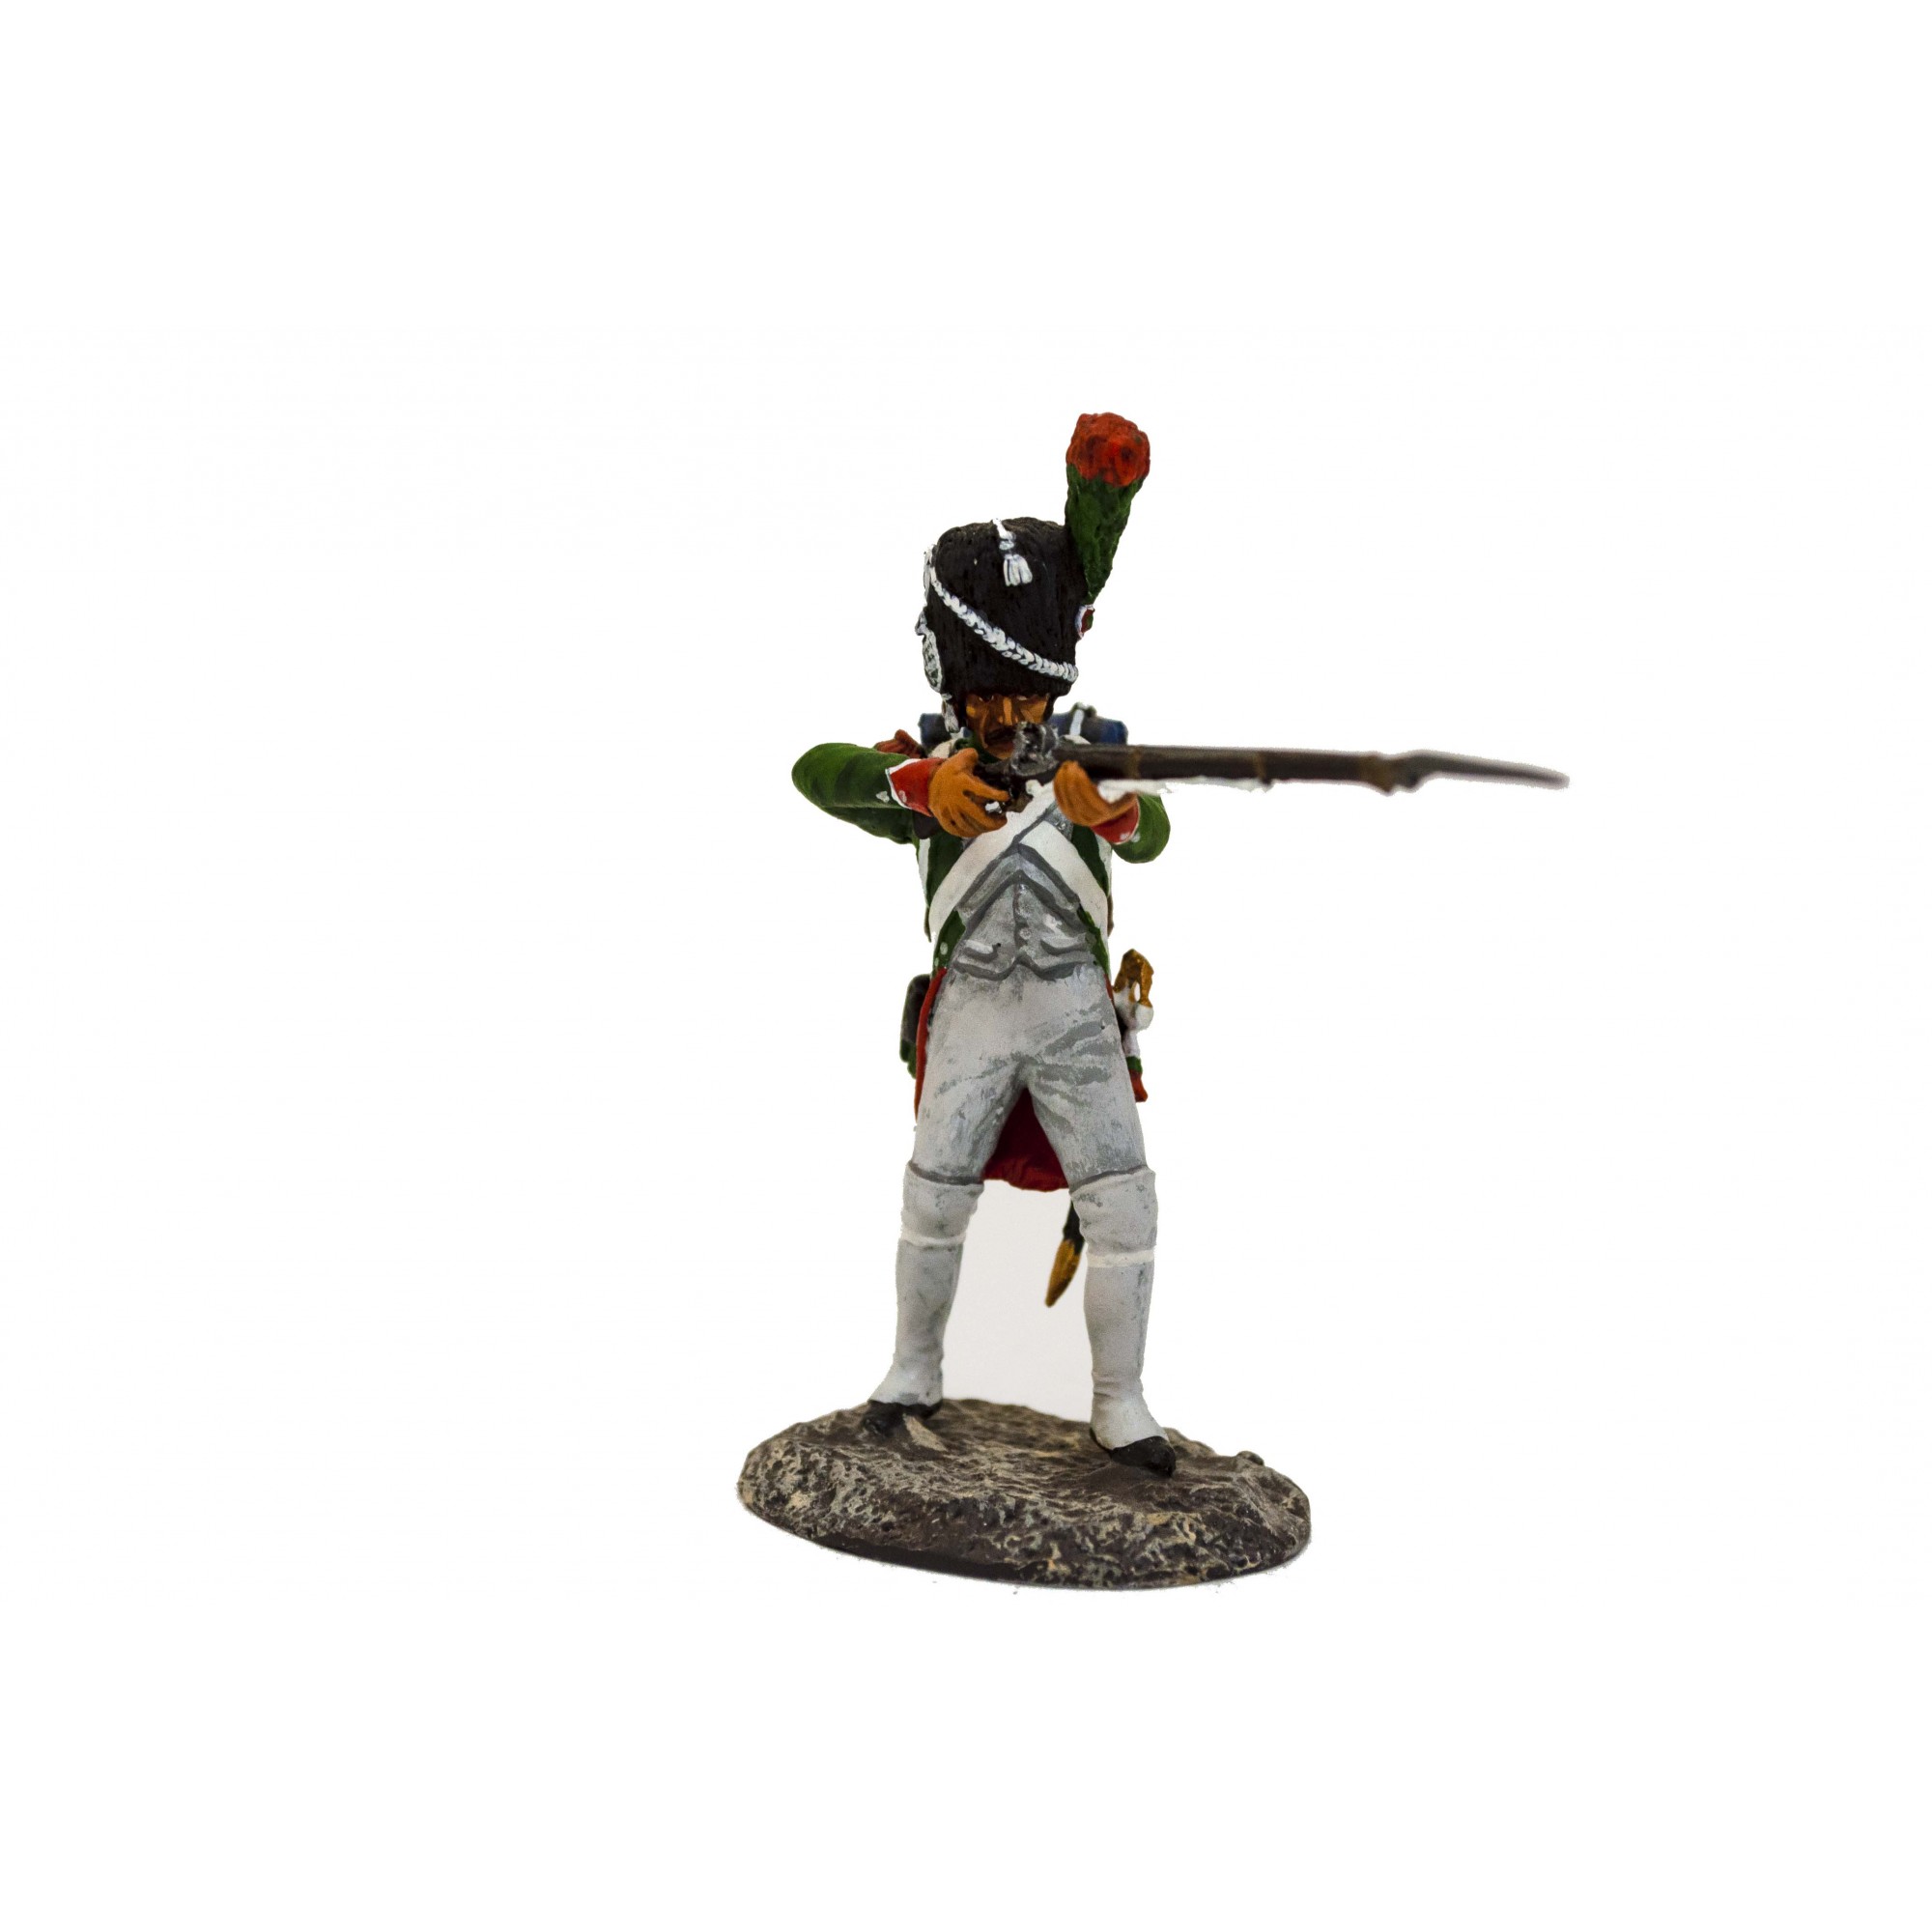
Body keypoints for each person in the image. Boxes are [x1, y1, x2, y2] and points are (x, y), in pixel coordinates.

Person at [791, 414, 1179, 1475]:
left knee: (1123, 1201)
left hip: (1074, 1013)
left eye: (1026, 692)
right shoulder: (928, 762)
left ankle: (1120, 1402)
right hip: (968, 1007)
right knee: (933, 1194)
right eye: (987, 695)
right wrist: (918, 787)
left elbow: (1152, 834)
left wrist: (1110, 810)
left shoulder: (1094, 751)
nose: (1008, 713)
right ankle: (911, 1371)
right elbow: (815, 771)